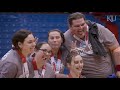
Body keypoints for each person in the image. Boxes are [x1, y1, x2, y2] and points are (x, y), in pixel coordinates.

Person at [64, 12, 120, 78]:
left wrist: (119, 70)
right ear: (70, 27)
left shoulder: (98, 29)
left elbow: (116, 49)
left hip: (108, 75)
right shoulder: (66, 38)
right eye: (77, 26)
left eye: (82, 24)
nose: (81, 28)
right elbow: (66, 60)